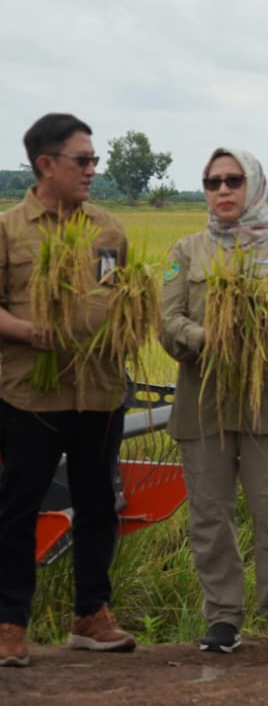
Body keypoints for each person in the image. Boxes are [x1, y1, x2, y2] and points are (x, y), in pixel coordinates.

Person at [160, 148, 268, 654]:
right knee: (209, 514)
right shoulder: (186, 251)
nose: (223, 190)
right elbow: (168, 322)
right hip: (202, 404)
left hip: (267, 405)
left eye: (232, 180)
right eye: (212, 182)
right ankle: (223, 617)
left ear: (253, 184)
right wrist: (213, 339)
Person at [0, 113, 136, 666]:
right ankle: (9, 625)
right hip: (28, 395)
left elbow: (121, 296)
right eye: (82, 161)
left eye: (93, 161)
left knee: (99, 502)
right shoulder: (8, 231)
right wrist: (31, 332)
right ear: (46, 165)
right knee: (18, 506)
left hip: (98, 392)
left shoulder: (109, 231)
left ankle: (91, 615)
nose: (91, 171)